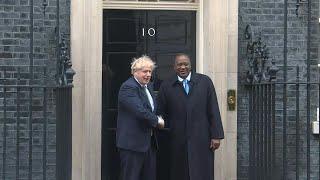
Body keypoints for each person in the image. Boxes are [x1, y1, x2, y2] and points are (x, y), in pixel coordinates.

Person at [157, 53, 224, 180]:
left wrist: (216, 135)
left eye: (185, 64)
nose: (183, 67)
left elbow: (213, 109)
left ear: (191, 65)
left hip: (201, 137)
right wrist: (164, 132)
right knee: (179, 172)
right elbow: (160, 113)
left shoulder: (205, 82)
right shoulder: (166, 86)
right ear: (174, 67)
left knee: (201, 171)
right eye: (179, 64)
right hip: (176, 139)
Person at [116, 55, 165, 180]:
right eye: (145, 71)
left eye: (150, 71)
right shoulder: (128, 87)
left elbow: (151, 108)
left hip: (149, 143)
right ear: (134, 72)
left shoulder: (148, 86)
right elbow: (140, 111)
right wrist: (157, 121)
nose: (148, 74)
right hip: (132, 145)